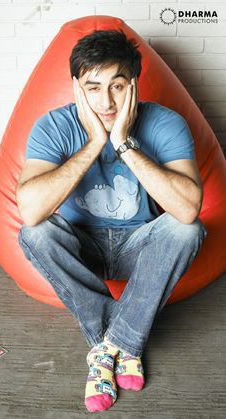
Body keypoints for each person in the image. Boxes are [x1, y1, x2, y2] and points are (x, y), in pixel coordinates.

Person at [16, 30, 207, 412]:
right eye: (93, 87)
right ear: (76, 87)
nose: (106, 101)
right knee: (34, 233)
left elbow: (188, 210)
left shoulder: (165, 123)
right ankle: (126, 345)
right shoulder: (53, 126)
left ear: (133, 84)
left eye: (117, 86)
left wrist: (122, 142)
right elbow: (31, 211)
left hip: (140, 246)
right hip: (80, 248)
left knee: (187, 229)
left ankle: (107, 351)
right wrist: (94, 144)